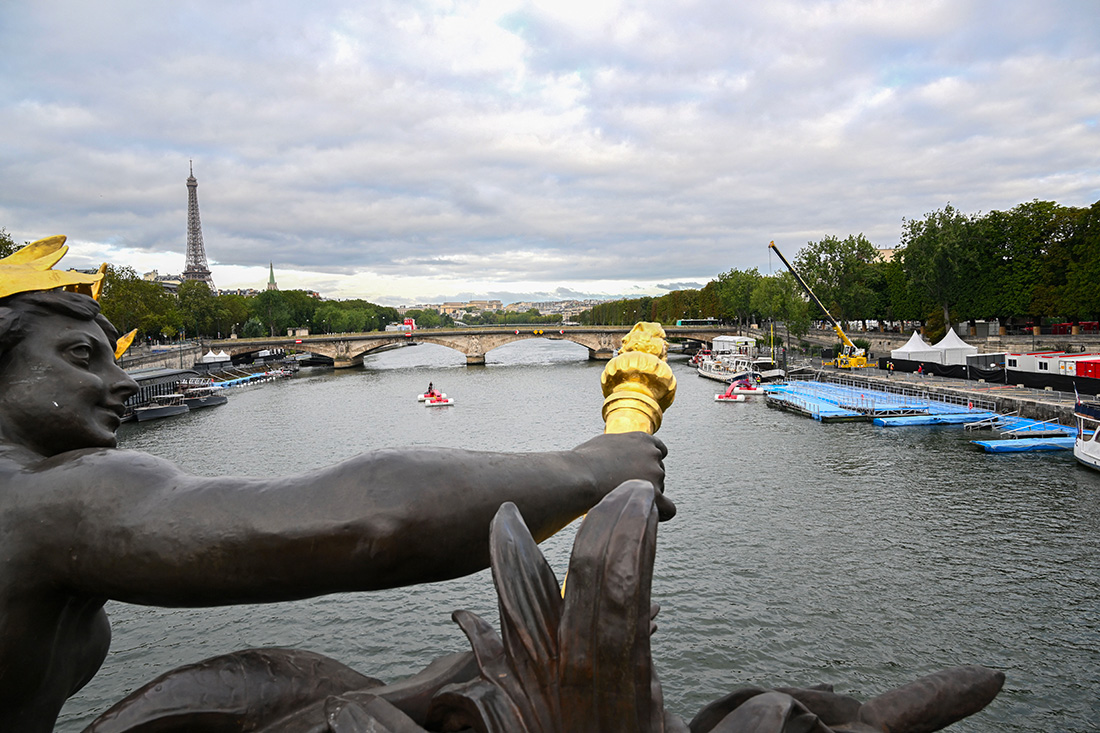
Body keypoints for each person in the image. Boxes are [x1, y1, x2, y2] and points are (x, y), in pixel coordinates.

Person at [0, 287, 669, 732]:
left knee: (285, 683)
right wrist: (590, 469)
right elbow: (375, 521)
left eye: (115, 357)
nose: (122, 381)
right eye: (82, 356)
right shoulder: (48, 497)